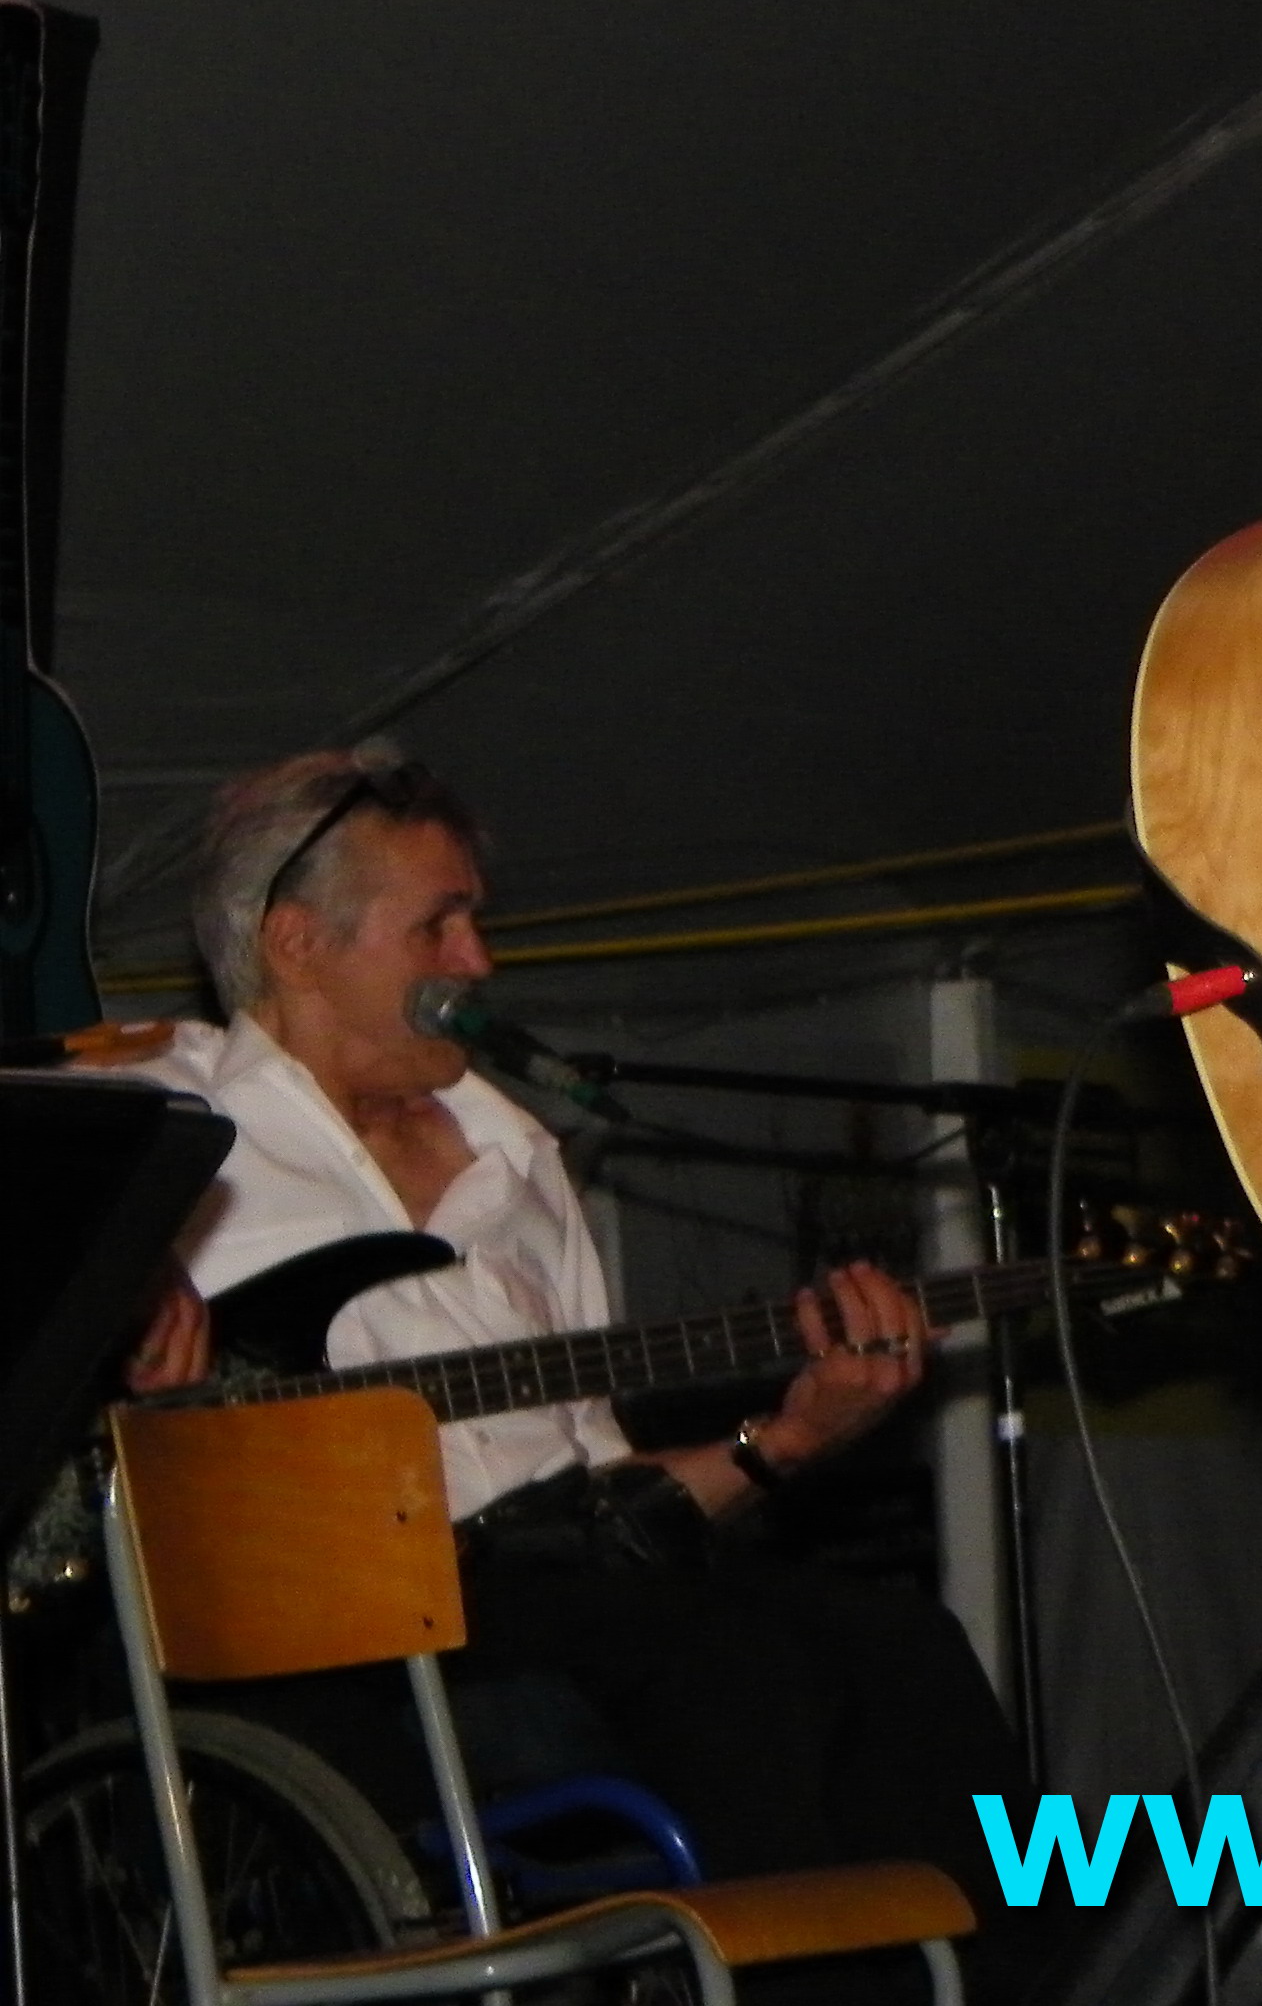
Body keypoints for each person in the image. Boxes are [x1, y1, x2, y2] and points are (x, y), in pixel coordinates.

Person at [140, 745, 1040, 1987]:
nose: (478, 962)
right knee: (735, 1666)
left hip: (570, 1582)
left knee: (902, 1644)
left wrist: (790, 1440)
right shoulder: (170, 1121)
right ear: (298, 944)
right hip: (347, 1632)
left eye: (475, 923)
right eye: (439, 925)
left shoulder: (520, 1157)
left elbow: (610, 1489)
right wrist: (127, 1282)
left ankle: (1040, 1978)